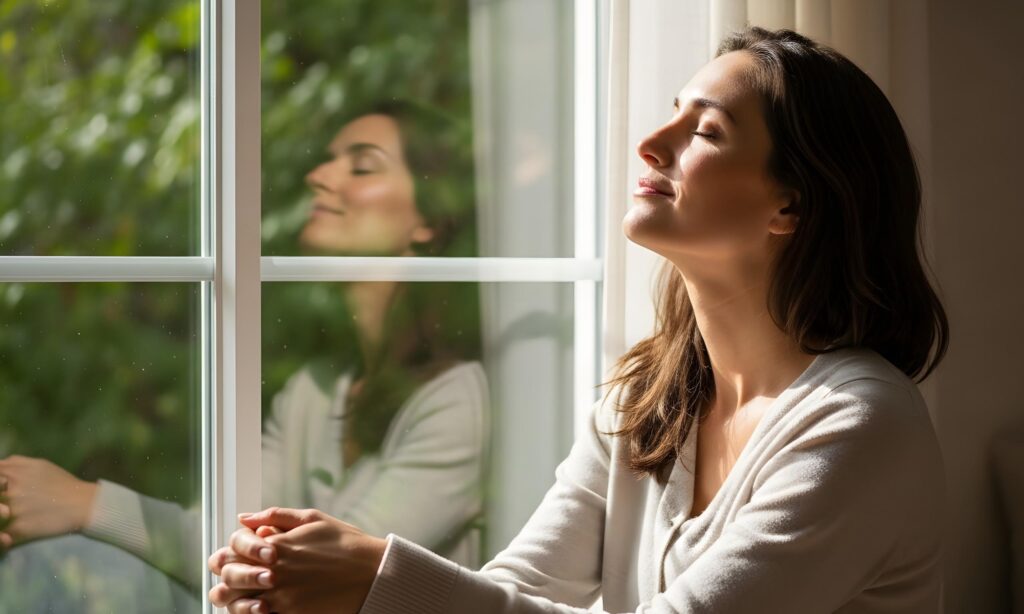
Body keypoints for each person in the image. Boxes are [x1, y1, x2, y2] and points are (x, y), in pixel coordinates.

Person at [208, 26, 949, 614]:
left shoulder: (858, 425)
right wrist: (309, 585)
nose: (652, 145)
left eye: (708, 132)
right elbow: (520, 587)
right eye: (672, 113)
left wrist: (376, 576)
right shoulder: (645, 404)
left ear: (790, 204)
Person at [0, 100, 490, 593]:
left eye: (361, 166)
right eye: (328, 159)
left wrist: (85, 503)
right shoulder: (315, 389)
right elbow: (226, 538)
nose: (319, 175)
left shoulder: (456, 401)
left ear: (429, 220)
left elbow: (322, 574)